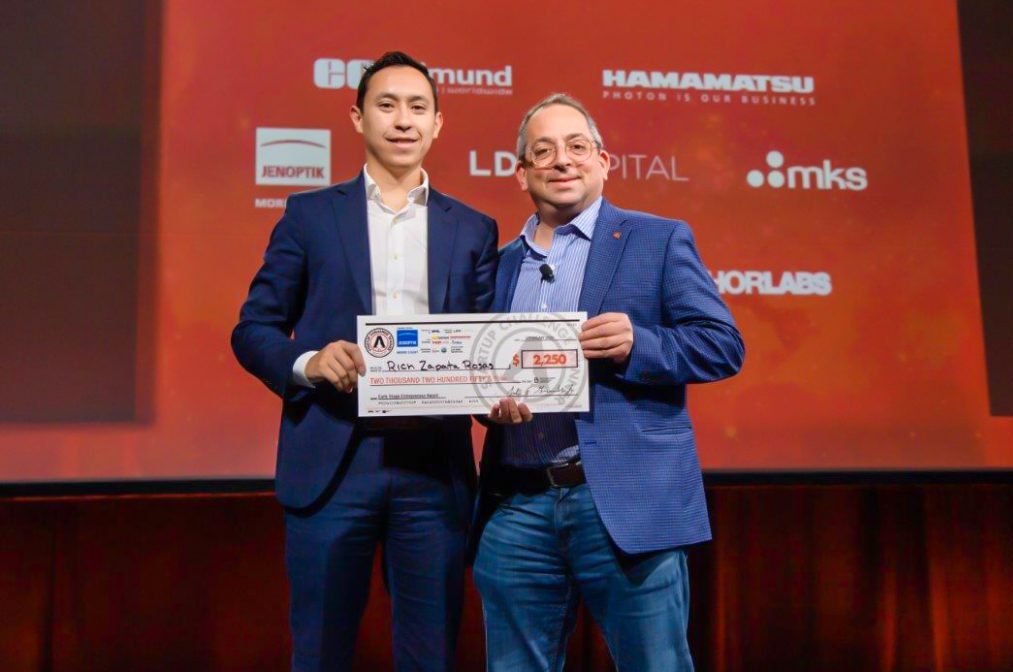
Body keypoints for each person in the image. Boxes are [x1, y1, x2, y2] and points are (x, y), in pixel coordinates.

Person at [231, 51, 497, 672]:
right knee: (320, 653)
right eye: (387, 105)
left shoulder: (475, 229)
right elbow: (253, 330)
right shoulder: (310, 216)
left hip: (434, 471)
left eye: (418, 107)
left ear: (437, 124)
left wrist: (504, 392)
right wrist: (309, 362)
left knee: (431, 656)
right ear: (357, 118)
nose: (403, 120)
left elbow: (487, 346)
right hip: (332, 462)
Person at [472, 93, 744, 671]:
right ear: (521, 173)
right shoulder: (497, 265)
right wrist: (487, 403)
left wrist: (638, 343)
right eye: (543, 151)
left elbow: (723, 346)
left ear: (603, 161)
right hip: (517, 505)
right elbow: (480, 372)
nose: (561, 160)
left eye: (577, 146)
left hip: (623, 503)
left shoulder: (658, 239)